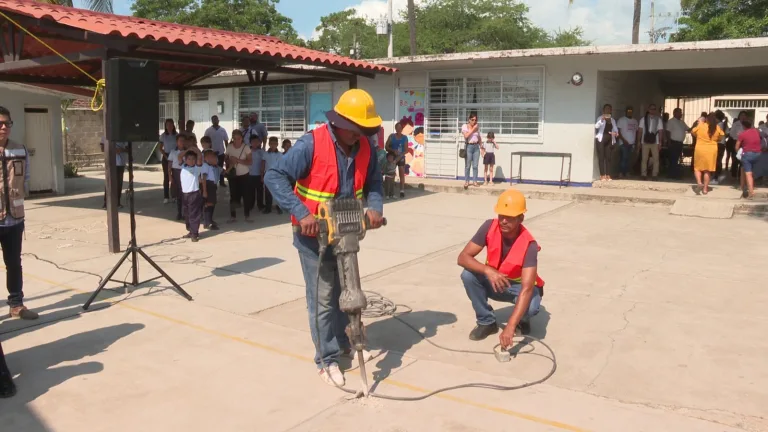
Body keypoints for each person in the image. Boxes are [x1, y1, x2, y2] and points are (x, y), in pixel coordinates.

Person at [264, 88, 384, 387]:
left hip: (347, 234)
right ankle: (326, 359)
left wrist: (375, 209)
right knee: (323, 298)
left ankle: (348, 342)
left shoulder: (366, 147)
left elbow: (374, 183)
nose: (360, 135)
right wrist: (302, 213)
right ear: (339, 121)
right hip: (311, 236)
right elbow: (273, 176)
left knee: (349, 290)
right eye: (356, 129)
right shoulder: (310, 144)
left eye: (364, 130)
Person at [457, 189, 543, 343]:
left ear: (521, 218)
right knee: (468, 275)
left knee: (531, 305)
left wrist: (510, 326)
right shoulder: (489, 227)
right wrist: (487, 270)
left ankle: (522, 319)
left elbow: (527, 288)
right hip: (495, 281)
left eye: (509, 217)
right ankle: (486, 322)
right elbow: (463, 257)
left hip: (518, 288)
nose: (503, 221)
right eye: (501, 215)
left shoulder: (529, 244)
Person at [0, 106, 37, 320]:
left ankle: (16, 304)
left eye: (7, 123)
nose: (4, 127)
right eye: (0, 124)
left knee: (14, 263)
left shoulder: (20, 150)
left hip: (14, 219)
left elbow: (26, 178)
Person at [691, 113, 725, 195]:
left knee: (697, 168)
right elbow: (721, 137)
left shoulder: (701, 125)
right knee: (707, 170)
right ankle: (705, 189)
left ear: (706, 119)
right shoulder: (717, 128)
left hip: (700, 149)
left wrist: (698, 136)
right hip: (712, 150)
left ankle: (699, 183)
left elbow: (692, 132)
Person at [225, 129, 253, 223]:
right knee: (233, 196)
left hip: (244, 174)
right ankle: (233, 216)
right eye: (235, 138)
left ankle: (247, 215)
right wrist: (230, 161)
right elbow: (226, 159)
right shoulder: (229, 147)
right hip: (233, 175)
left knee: (246, 195)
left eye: (239, 138)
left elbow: (250, 161)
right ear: (232, 138)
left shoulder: (246, 147)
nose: (237, 140)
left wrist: (238, 160)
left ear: (242, 138)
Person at [180, 150, 204, 242]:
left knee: (194, 214)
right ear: (185, 160)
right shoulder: (183, 166)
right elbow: (179, 156)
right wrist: (187, 149)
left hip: (193, 193)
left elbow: (199, 157)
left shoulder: (196, 168)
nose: (191, 161)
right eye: (189, 159)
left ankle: (195, 233)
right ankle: (190, 230)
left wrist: (194, 148)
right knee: (186, 214)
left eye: (193, 159)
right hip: (185, 193)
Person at [735, 119, 762, 199]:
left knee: (748, 173)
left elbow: (737, 146)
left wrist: (738, 152)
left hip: (747, 154)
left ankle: (751, 191)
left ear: (743, 126)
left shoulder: (742, 134)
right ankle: (746, 186)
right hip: (758, 154)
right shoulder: (756, 131)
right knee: (751, 171)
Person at [639, 104, 664, 180]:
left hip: (655, 142)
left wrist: (660, 142)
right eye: (651, 109)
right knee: (644, 159)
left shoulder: (658, 119)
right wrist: (638, 141)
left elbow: (660, 131)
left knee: (656, 159)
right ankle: (643, 174)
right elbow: (640, 130)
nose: (652, 110)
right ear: (648, 110)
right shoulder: (643, 119)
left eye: (654, 109)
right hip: (645, 141)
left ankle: (655, 175)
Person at [100, 138, 127, 209]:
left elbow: (128, 149)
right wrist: (113, 150)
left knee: (119, 184)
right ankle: (106, 203)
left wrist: (121, 150)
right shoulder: (105, 135)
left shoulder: (122, 135)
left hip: (120, 164)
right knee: (109, 183)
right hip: (111, 163)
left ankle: (117, 202)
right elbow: (102, 149)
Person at [204, 115, 229, 187]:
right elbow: (205, 141)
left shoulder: (222, 130)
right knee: (212, 168)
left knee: (220, 168)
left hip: (221, 152)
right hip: (211, 153)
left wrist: (227, 152)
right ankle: (213, 181)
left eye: (216, 119)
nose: (215, 121)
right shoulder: (208, 130)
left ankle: (221, 182)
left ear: (218, 120)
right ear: (212, 121)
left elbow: (226, 141)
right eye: (213, 120)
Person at [595, 104, 618, 181]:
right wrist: (602, 120)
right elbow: (596, 126)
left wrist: (615, 133)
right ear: (603, 110)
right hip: (601, 139)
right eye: (606, 109)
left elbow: (615, 129)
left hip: (609, 140)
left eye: (609, 109)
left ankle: (608, 174)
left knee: (608, 157)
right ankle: (602, 175)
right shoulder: (600, 118)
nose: (608, 110)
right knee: (601, 157)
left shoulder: (612, 120)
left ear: (611, 111)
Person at [385, 122, 408, 198]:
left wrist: (401, 155)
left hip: (401, 157)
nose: (399, 129)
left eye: (400, 128)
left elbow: (406, 150)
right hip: (392, 157)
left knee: (401, 172)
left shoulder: (404, 138)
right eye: (397, 128)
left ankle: (402, 190)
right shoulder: (391, 136)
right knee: (391, 175)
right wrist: (393, 150)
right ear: (395, 129)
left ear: (402, 129)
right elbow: (386, 147)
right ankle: (391, 192)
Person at [666, 108, 690, 179]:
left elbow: (688, 129)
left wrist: (695, 125)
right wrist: (669, 142)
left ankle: (675, 173)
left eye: (681, 112)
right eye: (680, 112)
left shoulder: (682, 122)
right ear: (675, 113)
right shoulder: (671, 121)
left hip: (680, 143)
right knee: (673, 159)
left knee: (677, 159)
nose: (681, 114)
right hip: (673, 142)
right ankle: (671, 174)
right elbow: (668, 132)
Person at [262, 137, 283, 214]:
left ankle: (279, 207)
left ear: (277, 144)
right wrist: (262, 175)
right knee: (267, 192)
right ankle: (268, 207)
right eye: (271, 144)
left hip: (277, 176)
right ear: (269, 144)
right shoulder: (265, 154)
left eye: (275, 144)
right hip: (267, 176)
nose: (273, 145)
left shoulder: (280, 154)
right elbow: (263, 164)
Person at [616, 106, 639, 178]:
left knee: (629, 159)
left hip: (632, 144)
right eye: (628, 111)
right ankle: (621, 173)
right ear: (625, 111)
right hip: (623, 143)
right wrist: (624, 140)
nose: (629, 112)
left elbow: (636, 132)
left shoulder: (635, 121)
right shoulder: (621, 120)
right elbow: (618, 132)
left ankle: (627, 172)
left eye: (631, 111)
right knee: (623, 158)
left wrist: (636, 142)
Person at [159, 119, 178, 204]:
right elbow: (160, 148)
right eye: (167, 125)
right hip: (166, 157)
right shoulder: (163, 136)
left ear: (173, 125)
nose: (169, 126)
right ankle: (166, 196)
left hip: (175, 156)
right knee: (166, 176)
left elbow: (179, 146)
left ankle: (174, 195)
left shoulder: (176, 135)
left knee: (174, 176)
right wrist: (166, 156)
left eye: (171, 124)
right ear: (165, 126)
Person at [201, 150, 220, 230]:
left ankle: (209, 220)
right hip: (208, 185)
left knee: (212, 203)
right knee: (208, 204)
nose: (216, 159)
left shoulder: (212, 166)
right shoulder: (205, 166)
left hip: (212, 185)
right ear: (206, 158)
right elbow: (204, 179)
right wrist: (205, 191)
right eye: (213, 157)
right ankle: (207, 222)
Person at [725, 110, 747, 180]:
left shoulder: (748, 124)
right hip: (736, 142)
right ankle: (734, 175)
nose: (743, 117)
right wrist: (738, 136)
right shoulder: (736, 124)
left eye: (744, 115)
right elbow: (731, 133)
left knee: (743, 160)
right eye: (742, 115)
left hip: (745, 143)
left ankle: (741, 175)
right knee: (735, 159)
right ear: (739, 116)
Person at [462, 112, 481, 189]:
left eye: (475, 120)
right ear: (469, 119)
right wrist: (473, 129)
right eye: (472, 120)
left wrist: (482, 147)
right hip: (469, 146)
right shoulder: (465, 126)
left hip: (476, 146)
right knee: (467, 165)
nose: (474, 121)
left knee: (475, 166)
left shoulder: (477, 128)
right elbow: (466, 136)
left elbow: (479, 137)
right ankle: (467, 181)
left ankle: (475, 181)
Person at [169, 134, 185, 220]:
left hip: (185, 172)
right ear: (177, 142)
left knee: (185, 193)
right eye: (180, 140)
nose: (182, 142)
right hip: (176, 172)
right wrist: (170, 176)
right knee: (178, 193)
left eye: (183, 140)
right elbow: (169, 165)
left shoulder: (187, 152)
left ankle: (185, 213)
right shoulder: (173, 152)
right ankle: (179, 212)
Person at [248, 135, 265, 213]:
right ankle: (250, 205)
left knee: (260, 191)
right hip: (249, 175)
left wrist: (262, 175)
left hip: (258, 174)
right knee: (250, 192)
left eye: (256, 142)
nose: (255, 143)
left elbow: (263, 163)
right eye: (253, 142)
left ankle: (260, 205)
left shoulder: (261, 152)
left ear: (259, 143)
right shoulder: (247, 151)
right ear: (250, 143)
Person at [713, 110, 729, 184]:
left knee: (716, 161)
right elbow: (728, 134)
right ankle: (718, 176)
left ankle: (715, 177)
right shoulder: (724, 124)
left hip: (717, 144)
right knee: (719, 160)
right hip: (722, 144)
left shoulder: (718, 125)